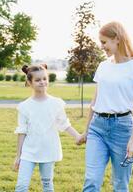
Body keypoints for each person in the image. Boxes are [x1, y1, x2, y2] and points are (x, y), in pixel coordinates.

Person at [77, 21, 133, 192]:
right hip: (97, 128)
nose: (101, 46)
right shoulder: (103, 66)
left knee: (120, 184)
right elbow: (94, 102)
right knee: (91, 181)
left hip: (123, 130)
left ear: (117, 39)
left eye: (104, 42)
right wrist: (86, 131)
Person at [13, 64, 82, 192]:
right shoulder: (24, 106)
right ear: (29, 82)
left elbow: (64, 124)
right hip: (29, 152)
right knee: (21, 187)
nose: (42, 82)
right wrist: (18, 156)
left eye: (44, 79)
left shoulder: (56, 103)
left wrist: (78, 136)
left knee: (47, 185)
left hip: (48, 150)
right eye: (38, 80)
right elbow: (22, 132)